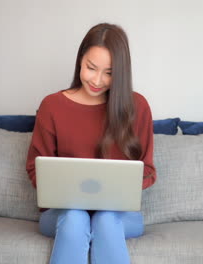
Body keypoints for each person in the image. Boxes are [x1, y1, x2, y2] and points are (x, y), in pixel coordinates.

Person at [25, 23, 156, 264]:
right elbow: (35, 168)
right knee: (76, 217)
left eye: (109, 72)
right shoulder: (52, 106)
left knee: (105, 219)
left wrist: (121, 187)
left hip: (119, 216)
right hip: (62, 214)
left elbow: (147, 171)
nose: (97, 80)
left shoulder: (137, 107)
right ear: (80, 62)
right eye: (91, 68)